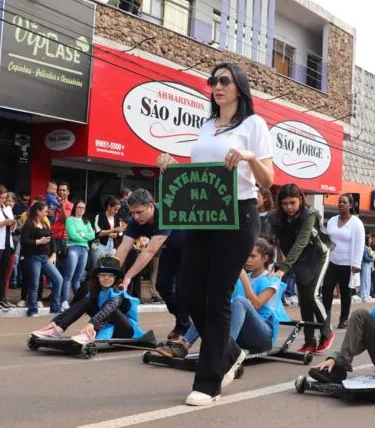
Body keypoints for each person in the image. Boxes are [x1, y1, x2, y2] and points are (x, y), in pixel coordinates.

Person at [157, 61, 274, 406]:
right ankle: (230, 351)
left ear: (239, 86)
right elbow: (202, 172)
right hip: (203, 212)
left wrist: (249, 157)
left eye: (224, 80)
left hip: (238, 214)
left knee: (217, 295)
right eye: (213, 81)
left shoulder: (254, 124)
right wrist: (173, 167)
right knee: (190, 292)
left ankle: (208, 383)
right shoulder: (207, 125)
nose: (217, 86)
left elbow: (268, 180)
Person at [157, 238, 288, 357]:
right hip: (243, 332)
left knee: (240, 301)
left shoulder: (272, 279)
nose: (247, 259)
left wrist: (244, 280)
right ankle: (183, 345)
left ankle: (225, 349)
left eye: (252, 256)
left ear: (265, 258)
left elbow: (257, 304)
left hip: (263, 336)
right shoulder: (245, 277)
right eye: (246, 255)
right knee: (213, 303)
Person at [112, 189, 188, 341]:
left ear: (151, 206)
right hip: (170, 250)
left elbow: (149, 251)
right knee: (162, 286)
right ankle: (184, 321)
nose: (136, 216)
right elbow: (124, 248)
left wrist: (127, 276)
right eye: (132, 212)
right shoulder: (135, 222)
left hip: (190, 249)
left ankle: (183, 325)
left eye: (139, 212)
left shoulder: (165, 214)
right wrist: (109, 271)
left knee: (182, 290)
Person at [271, 183, 332, 354]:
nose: (288, 207)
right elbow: (276, 241)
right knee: (303, 299)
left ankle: (327, 332)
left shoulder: (309, 214)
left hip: (318, 255)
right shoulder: (279, 218)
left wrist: (284, 267)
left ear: (300, 199)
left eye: (292, 202)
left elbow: (301, 242)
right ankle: (309, 342)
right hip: (300, 259)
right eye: (284, 204)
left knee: (312, 295)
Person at [31, 257, 145, 344]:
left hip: (124, 330)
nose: (106, 278)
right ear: (98, 277)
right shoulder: (95, 292)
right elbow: (76, 307)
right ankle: (57, 330)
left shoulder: (119, 292)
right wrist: (56, 321)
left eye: (110, 275)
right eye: (103, 275)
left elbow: (110, 307)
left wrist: (92, 322)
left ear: (115, 278)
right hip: (102, 325)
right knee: (86, 301)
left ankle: (89, 334)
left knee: (111, 309)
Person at [322, 193, 365, 329]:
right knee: (327, 289)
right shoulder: (332, 221)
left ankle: (344, 318)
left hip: (348, 264)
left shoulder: (356, 223)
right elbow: (327, 239)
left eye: (344, 202)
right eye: (339, 202)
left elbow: (360, 244)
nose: (341, 204)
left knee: (346, 294)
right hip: (332, 262)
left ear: (351, 205)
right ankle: (325, 317)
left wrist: (357, 264)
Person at [20, 201, 63, 317]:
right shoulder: (29, 223)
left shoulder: (45, 223)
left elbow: (52, 240)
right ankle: (32, 309)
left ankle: (55, 307)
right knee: (34, 283)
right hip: (33, 257)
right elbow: (23, 241)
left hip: (45, 257)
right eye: (45, 210)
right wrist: (39, 241)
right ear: (38, 211)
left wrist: (54, 254)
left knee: (58, 279)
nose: (47, 212)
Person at [62, 199, 95, 304]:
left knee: (78, 277)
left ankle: (78, 301)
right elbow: (72, 235)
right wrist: (85, 236)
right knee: (68, 276)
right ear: (75, 208)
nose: (81, 209)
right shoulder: (70, 220)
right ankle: (65, 300)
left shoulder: (86, 221)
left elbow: (93, 235)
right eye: (79, 207)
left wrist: (82, 235)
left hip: (84, 250)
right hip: (73, 248)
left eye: (83, 208)